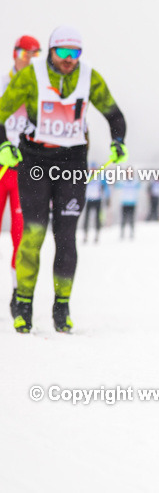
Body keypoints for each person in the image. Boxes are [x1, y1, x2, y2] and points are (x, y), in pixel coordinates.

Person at [0, 26, 128, 333]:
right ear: (52, 50)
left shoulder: (89, 77)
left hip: (72, 161)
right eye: (64, 52)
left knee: (66, 236)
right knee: (33, 234)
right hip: (34, 159)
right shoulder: (30, 77)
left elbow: (114, 113)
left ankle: (61, 306)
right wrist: (4, 144)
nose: (70, 59)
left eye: (76, 53)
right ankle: (24, 304)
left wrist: (118, 141)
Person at [2, 35, 39, 316]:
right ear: (15, 54)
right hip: (1, 165)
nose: (28, 60)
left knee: (21, 235)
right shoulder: (4, 83)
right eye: (24, 54)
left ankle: (18, 294)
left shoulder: (39, 89)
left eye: (34, 55)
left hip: (24, 170)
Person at [81, 162, 110, 243]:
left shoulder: (100, 176)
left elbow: (106, 187)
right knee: (86, 218)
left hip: (97, 200)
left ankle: (97, 234)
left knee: (98, 218)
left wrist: (108, 197)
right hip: (88, 200)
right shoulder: (87, 175)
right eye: (91, 168)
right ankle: (85, 234)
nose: (93, 170)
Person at [117, 174, 141, 239]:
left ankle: (131, 232)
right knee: (123, 219)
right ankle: (122, 232)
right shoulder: (123, 182)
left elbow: (140, 186)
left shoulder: (135, 182)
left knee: (131, 219)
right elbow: (116, 185)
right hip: (124, 203)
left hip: (132, 203)